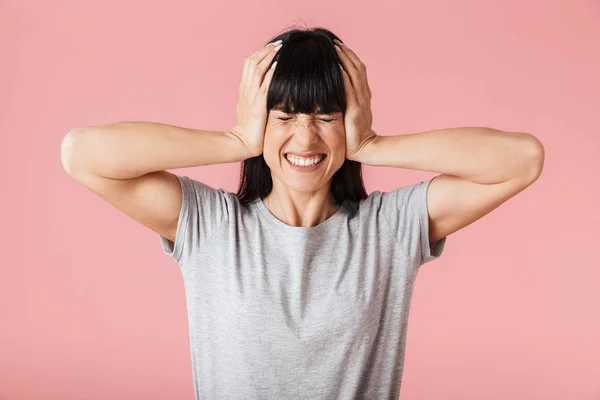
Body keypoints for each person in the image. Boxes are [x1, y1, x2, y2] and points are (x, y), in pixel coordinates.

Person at [61, 27, 544, 400]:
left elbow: (522, 159)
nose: (306, 139)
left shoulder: (389, 228)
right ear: (260, 122)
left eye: (325, 116)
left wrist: (375, 145)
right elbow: (81, 152)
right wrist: (232, 141)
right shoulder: (211, 225)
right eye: (285, 116)